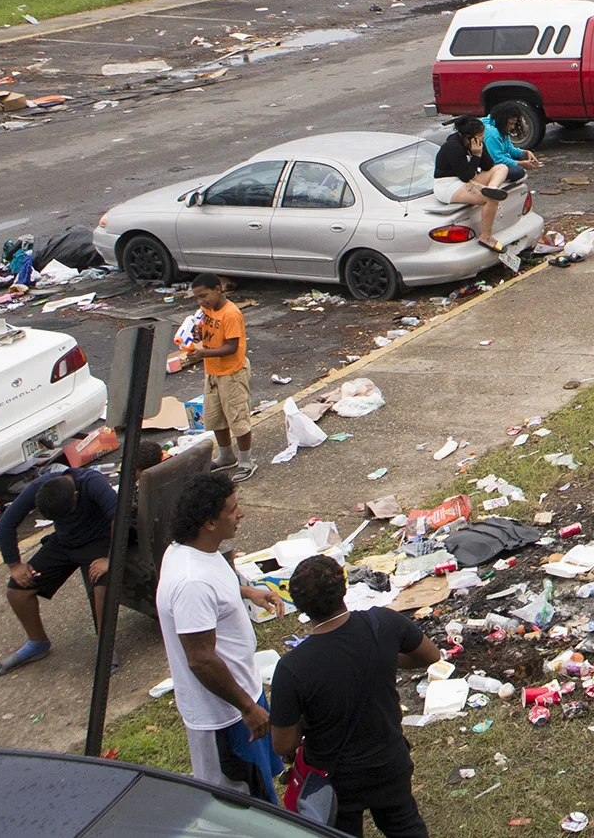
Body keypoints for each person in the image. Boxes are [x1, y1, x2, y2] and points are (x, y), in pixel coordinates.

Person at [272, 555, 437, 837]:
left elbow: (283, 743)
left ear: (298, 605)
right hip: (389, 762)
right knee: (406, 826)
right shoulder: (381, 623)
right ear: (344, 588)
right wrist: (382, 660)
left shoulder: (292, 668)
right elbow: (430, 655)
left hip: (334, 778)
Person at [158, 471, 282, 798]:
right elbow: (200, 659)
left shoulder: (193, 551)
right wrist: (247, 709)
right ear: (209, 523)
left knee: (264, 788)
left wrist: (246, 592)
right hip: (225, 715)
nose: (241, 514)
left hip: (244, 690)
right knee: (245, 808)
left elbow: (214, 592)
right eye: (232, 509)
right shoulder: (191, 582)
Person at [0, 463, 121, 676]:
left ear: (76, 496)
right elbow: (6, 523)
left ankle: (106, 647)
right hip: (64, 542)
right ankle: (37, 643)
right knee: (16, 591)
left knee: (102, 589)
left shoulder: (92, 482)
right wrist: (14, 565)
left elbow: (120, 516)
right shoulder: (41, 487)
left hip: (99, 540)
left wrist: (111, 559)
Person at [178, 275, 256, 480]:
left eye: (204, 295)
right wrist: (193, 336)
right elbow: (202, 332)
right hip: (212, 373)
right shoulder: (205, 311)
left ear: (218, 289)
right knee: (216, 416)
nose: (201, 301)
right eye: (197, 298)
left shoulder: (230, 314)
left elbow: (231, 347)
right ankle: (226, 455)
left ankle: (246, 460)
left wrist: (203, 354)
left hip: (232, 373)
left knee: (238, 417)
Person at [433, 116, 511, 252]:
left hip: (468, 179)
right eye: (480, 135)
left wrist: (480, 149)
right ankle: (486, 236)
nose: (483, 137)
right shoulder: (453, 147)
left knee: (501, 168)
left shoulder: (473, 142)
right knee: (491, 199)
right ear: (468, 136)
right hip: (449, 184)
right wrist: (475, 156)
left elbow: (489, 165)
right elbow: (465, 176)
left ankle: (491, 188)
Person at [482, 106, 542, 189]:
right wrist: (520, 163)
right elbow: (496, 159)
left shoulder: (501, 128)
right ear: (502, 120)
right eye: (510, 124)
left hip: (498, 159)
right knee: (518, 171)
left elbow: (509, 148)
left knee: (525, 156)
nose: (512, 127)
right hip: (490, 164)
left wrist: (525, 152)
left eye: (514, 124)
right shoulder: (491, 133)